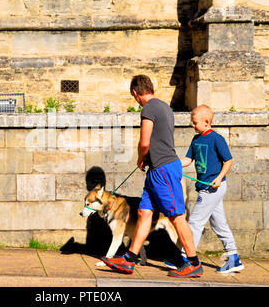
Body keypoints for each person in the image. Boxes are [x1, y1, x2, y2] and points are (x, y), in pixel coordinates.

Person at [101, 75, 203, 278]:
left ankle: (193, 262)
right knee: (144, 213)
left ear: (135, 93)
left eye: (135, 97)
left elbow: (145, 141)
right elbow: (160, 139)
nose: (136, 100)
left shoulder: (148, 108)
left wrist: (141, 157)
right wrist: (149, 160)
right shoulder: (164, 106)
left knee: (175, 216)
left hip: (164, 170)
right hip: (156, 170)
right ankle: (129, 260)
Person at [166, 104, 244, 273]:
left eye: (195, 123)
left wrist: (218, 178)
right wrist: (170, 165)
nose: (192, 125)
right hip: (204, 188)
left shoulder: (217, 139)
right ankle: (233, 258)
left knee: (194, 222)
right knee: (219, 223)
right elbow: (188, 160)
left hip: (213, 188)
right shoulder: (196, 140)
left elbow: (228, 160)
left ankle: (185, 258)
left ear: (207, 122)